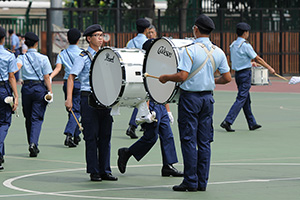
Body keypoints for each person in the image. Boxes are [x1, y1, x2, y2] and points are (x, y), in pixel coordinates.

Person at [158, 14, 232, 191]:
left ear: (196, 29)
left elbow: (182, 76)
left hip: (190, 99)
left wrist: (166, 78)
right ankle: (202, 182)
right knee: (204, 141)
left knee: (189, 139)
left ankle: (190, 181)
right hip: (208, 98)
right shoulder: (218, 51)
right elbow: (228, 78)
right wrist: (212, 81)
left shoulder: (189, 50)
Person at [117, 39, 183, 178]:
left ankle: (168, 165)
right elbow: (143, 91)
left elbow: (163, 90)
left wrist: (168, 110)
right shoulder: (142, 68)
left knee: (167, 135)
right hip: (150, 105)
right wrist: (146, 111)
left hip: (160, 104)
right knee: (151, 137)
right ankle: (127, 152)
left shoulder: (160, 66)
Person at [65, 24, 118, 182]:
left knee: (105, 135)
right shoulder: (82, 57)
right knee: (91, 136)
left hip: (105, 97)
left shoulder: (106, 55)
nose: (101, 38)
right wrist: (69, 99)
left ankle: (105, 170)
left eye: (102, 35)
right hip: (88, 98)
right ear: (89, 38)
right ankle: (94, 171)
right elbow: (71, 77)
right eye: (97, 35)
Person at [220, 22, 275, 132]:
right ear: (245, 33)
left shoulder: (233, 45)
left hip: (238, 74)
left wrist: (250, 64)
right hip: (245, 75)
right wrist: (270, 68)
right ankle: (228, 121)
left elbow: (237, 61)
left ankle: (252, 123)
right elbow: (258, 58)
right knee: (241, 98)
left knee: (246, 100)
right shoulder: (246, 45)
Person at [16, 32, 53, 157]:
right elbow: (46, 77)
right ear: (37, 43)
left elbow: (16, 68)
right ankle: (33, 143)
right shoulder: (43, 58)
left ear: (25, 43)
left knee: (28, 118)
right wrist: (50, 91)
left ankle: (30, 142)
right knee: (37, 118)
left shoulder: (21, 57)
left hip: (26, 88)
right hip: (39, 88)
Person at [51, 28, 82, 148]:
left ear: (67, 39)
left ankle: (76, 134)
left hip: (66, 83)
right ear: (79, 39)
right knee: (77, 110)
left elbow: (58, 68)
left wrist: (50, 77)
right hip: (79, 83)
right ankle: (69, 134)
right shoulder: (82, 53)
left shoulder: (62, 53)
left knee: (71, 109)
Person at [125, 18, 151, 139]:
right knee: (143, 100)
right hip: (146, 73)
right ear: (147, 30)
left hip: (133, 73)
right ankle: (133, 125)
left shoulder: (130, 42)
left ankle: (143, 125)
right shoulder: (149, 42)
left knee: (142, 100)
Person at [0, 26, 19, 170]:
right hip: (3, 89)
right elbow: (12, 76)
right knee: (4, 122)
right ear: (3, 39)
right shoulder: (8, 55)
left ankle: (1, 153)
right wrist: (16, 96)